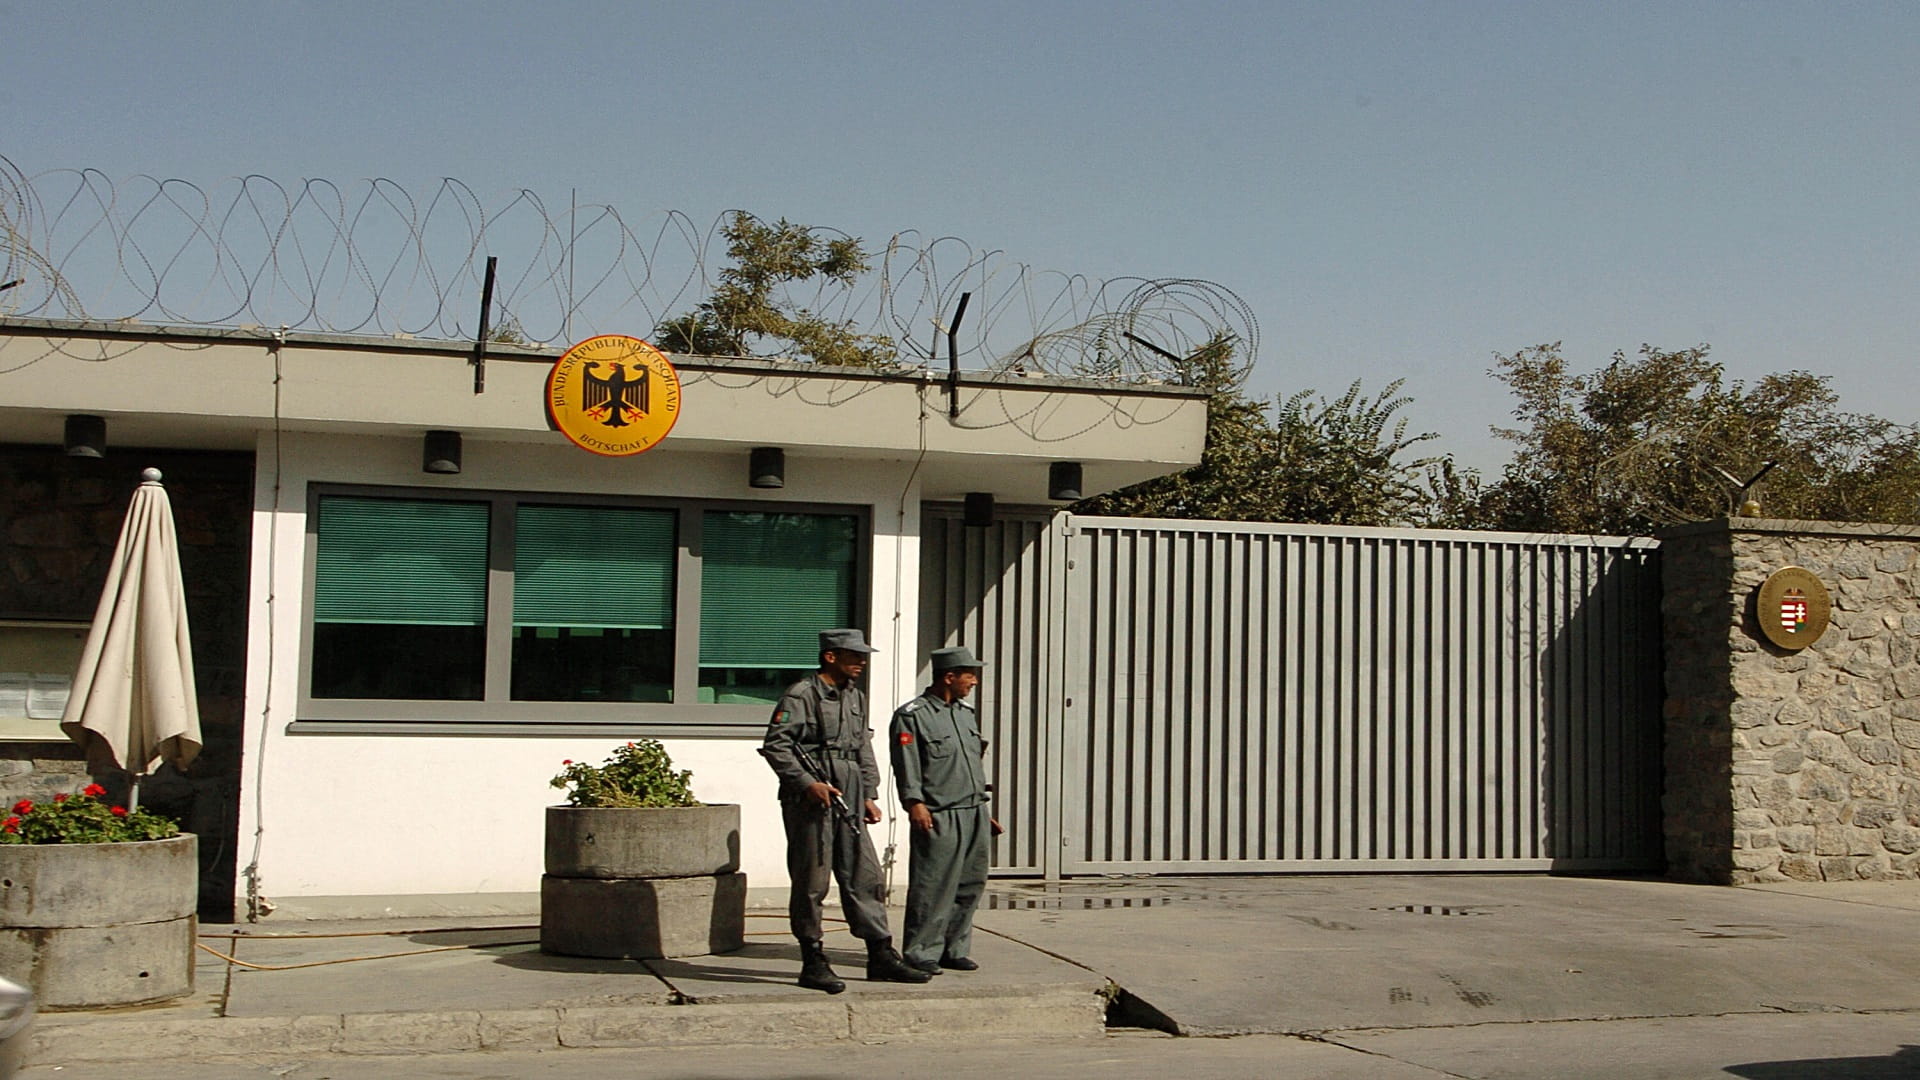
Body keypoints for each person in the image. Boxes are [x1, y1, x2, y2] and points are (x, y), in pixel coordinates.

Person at [759, 628, 931, 993]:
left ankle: (880, 953)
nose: (861, 662)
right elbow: (776, 746)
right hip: (812, 797)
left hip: (850, 793)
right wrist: (808, 785)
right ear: (830, 656)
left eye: (863, 656)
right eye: (853, 656)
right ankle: (813, 959)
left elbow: (861, 747)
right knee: (812, 881)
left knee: (865, 875)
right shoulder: (801, 695)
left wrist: (868, 793)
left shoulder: (855, 696)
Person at [889, 645, 1002, 975]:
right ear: (948, 677)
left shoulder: (965, 714)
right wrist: (914, 803)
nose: (975, 681)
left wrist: (982, 808)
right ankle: (921, 951)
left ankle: (954, 947)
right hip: (938, 812)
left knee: (970, 883)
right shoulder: (913, 715)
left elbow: (970, 764)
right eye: (969, 675)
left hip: (973, 809)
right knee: (933, 885)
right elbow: (906, 765)